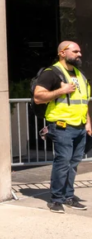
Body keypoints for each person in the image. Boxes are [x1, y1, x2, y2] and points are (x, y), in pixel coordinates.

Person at [33, 41, 90, 214]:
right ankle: (56, 199)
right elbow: (38, 97)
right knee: (63, 162)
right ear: (62, 53)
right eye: (75, 51)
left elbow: (83, 102)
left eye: (80, 51)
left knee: (73, 164)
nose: (79, 54)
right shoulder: (52, 73)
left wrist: (88, 123)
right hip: (62, 126)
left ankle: (68, 196)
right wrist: (60, 91)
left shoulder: (80, 74)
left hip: (79, 126)